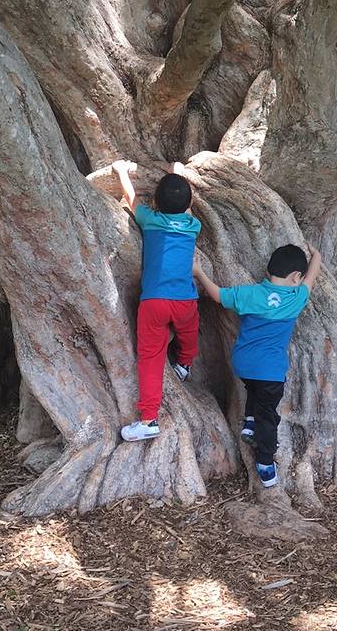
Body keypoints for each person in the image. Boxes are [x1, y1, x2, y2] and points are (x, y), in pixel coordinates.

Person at [194, 242, 321, 487]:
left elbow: (218, 295)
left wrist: (200, 273)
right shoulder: (295, 299)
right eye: (300, 277)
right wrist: (316, 255)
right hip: (270, 371)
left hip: (243, 364)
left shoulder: (250, 293)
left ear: (268, 272)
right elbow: (312, 277)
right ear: (296, 277)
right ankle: (265, 464)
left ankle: (250, 422)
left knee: (253, 388)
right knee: (268, 416)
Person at [112, 160, 201, 442]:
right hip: (185, 299)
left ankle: (149, 419)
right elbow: (184, 206)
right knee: (189, 332)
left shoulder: (151, 220)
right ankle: (185, 363)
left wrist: (122, 172)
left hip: (153, 302)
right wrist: (177, 173)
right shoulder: (192, 225)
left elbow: (132, 198)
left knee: (150, 358)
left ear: (157, 205)